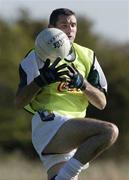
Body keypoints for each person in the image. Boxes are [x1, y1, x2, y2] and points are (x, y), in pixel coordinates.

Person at [15, 8, 119, 180]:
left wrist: (83, 84)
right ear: (51, 28)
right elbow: (19, 102)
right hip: (48, 125)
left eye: (73, 25)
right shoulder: (35, 57)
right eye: (64, 25)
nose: (70, 29)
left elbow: (101, 102)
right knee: (108, 131)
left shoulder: (87, 56)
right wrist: (40, 81)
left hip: (73, 132)